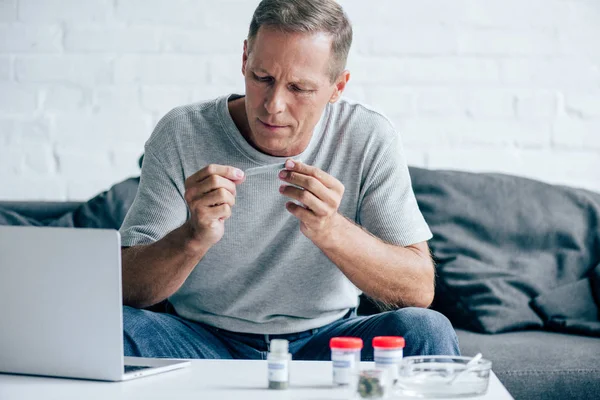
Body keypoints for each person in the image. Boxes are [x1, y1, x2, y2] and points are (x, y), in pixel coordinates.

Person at [119, 0, 460, 360]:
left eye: (299, 88)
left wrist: (332, 230)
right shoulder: (182, 132)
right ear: (245, 59)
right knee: (111, 328)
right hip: (200, 339)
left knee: (427, 330)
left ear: (337, 87)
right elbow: (125, 288)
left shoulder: (368, 136)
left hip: (327, 341)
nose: (273, 105)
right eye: (262, 78)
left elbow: (419, 289)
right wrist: (192, 237)